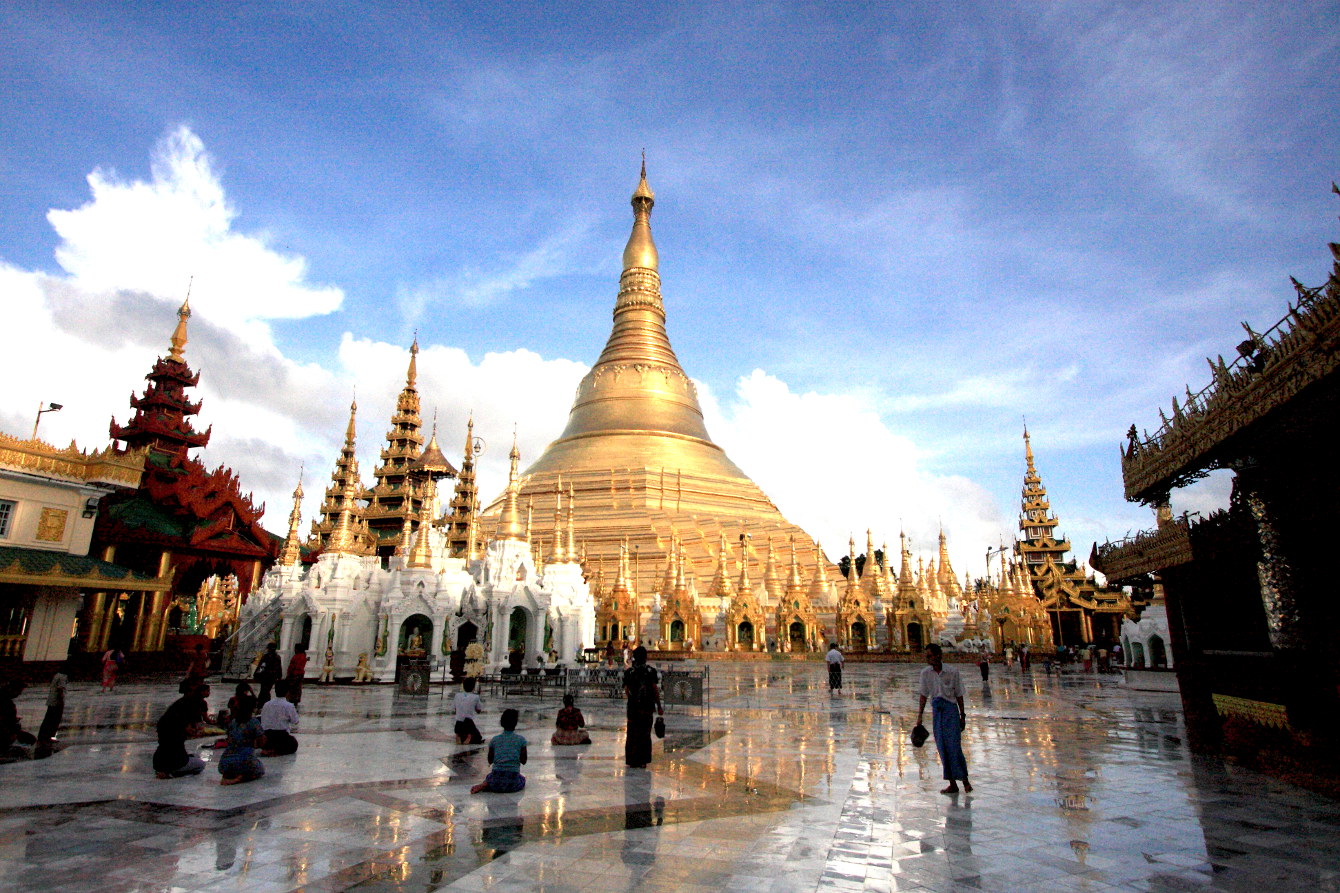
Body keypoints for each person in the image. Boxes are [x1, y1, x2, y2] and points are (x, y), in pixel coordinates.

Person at [917, 644, 972, 795]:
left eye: (930, 656)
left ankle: (965, 781)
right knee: (942, 747)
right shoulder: (925, 673)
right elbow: (923, 695)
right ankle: (952, 783)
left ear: (939, 655)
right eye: (926, 656)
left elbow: (959, 694)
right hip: (937, 712)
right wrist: (919, 717)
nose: (928, 659)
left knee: (954, 747)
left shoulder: (952, 672)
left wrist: (963, 716)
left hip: (951, 711)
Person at [153, 681, 210, 779]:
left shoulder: (177, 707)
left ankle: (166, 771)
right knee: (201, 765)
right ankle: (171, 773)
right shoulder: (189, 705)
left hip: (159, 761)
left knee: (194, 757)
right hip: (175, 762)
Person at [622, 645, 662, 768]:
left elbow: (627, 690)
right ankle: (643, 759)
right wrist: (659, 705)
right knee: (645, 733)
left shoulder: (630, 672)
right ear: (646, 657)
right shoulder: (650, 671)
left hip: (633, 708)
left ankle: (633, 759)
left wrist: (633, 700)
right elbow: (655, 689)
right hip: (647, 707)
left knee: (633, 733)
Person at [470, 708, 527, 793]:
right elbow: (523, 761)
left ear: (501, 723)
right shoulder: (521, 740)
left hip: (495, 780)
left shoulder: (494, 740)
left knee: (490, 776)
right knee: (522, 779)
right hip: (512, 782)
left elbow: (490, 760)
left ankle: (486, 784)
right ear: (515, 723)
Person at [218, 694, 265, 785]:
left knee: (234, 763)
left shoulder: (233, 722)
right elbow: (262, 742)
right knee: (260, 770)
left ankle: (228, 775)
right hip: (244, 760)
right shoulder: (253, 722)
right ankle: (240, 778)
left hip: (225, 761)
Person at [36, 663, 70, 755]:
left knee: (48, 718)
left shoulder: (57, 675)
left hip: (51, 700)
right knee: (53, 719)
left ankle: (44, 736)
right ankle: (47, 736)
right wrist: (61, 700)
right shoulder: (63, 676)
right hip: (56, 701)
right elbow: (60, 689)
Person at [260, 680, 300, 755]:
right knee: (293, 744)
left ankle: (268, 748)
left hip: (267, 735)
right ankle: (276, 751)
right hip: (281, 735)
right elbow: (295, 721)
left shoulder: (266, 704)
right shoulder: (289, 706)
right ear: (287, 692)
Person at [2, 680, 36, 759]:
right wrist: (11, 733)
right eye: (18, 691)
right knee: (29, 740)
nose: (19, 694)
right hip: (5, 731)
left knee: (30, 739)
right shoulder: (5, 702)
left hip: (8, 729)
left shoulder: (7, 701)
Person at [453, 678, 485, 744]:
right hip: (468, 723)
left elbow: (455, 709)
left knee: (460, 721)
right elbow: (479, 710)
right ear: (473, 687)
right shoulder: (475, 697)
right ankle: (469, 737)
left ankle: (458, 735)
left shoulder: (457, 695)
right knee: (478, 737)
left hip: (458, 722)